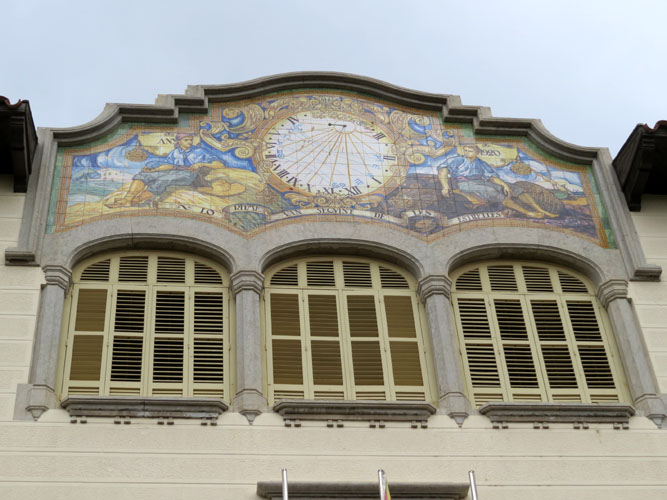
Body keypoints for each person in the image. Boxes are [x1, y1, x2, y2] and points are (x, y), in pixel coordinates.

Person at [106, 133, 243, 207]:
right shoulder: (175, 152)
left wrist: (200, 163)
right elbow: (169, 166)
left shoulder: (200, 151)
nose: (190, 142)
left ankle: (135, 201)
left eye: (190, 140)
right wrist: (152, 171)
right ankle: (127, 199)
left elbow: (220, 164)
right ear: (179, 142)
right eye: (186, 140)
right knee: (144, 175)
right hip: (174, 171)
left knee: (163, 180)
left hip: (192, 174)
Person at [436, 144, 558, 219]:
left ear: (477, 153)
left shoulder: (481, 163)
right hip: (465, 183)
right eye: (466, 150)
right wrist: (445, 186)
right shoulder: (458, 160)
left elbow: (492, 177)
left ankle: (540, 210)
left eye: (470, 151)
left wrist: (505, 185)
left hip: (481, 181)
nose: (467, 153)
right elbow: (443, 170)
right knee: (491, 191)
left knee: (515, 188)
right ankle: (527, 212)